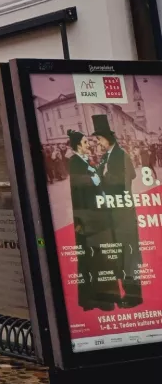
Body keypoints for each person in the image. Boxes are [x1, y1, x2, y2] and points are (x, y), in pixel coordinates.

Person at [92, 114, 143, 309]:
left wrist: (104, 176)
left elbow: (126, 177)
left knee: (128, 254)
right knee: (118, 255)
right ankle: (123, 293)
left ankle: (134, 296)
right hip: (113, 212)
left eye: (99, 139)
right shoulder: (107, 156)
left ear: (108, 138)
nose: (98, 143)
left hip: (123, 213)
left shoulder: (120, 155)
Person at [66, 130, 116, 310]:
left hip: (95, 216)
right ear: (78, 145)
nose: (89, 145)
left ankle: (97, 298)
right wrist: (92, 179)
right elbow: (76, 188)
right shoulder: (74, 162)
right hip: (89, 219)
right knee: (95, 258)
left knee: (97, 258)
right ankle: (97, 299)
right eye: (86, 143)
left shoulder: (84, 160)